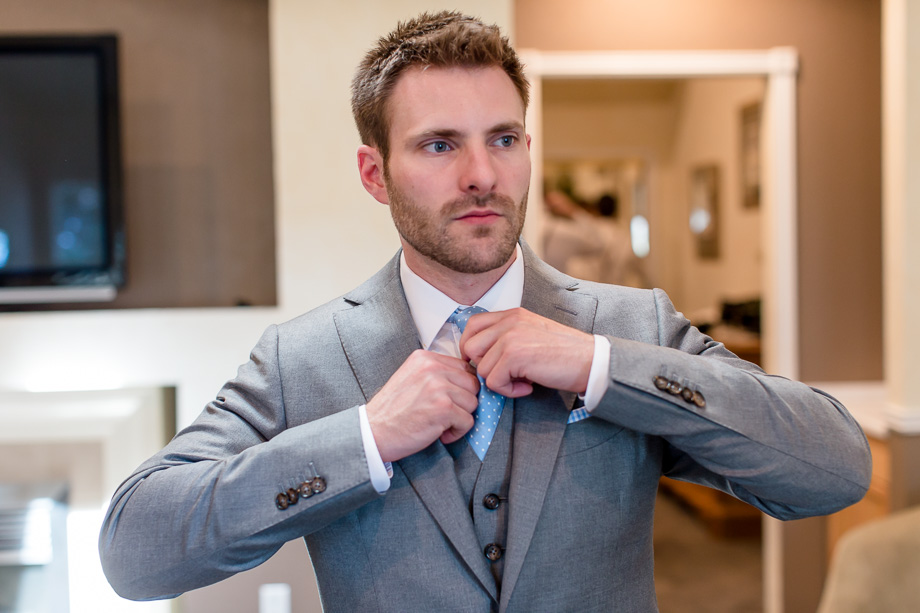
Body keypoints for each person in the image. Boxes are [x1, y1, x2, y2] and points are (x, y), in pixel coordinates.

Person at [99, 11, 871, 612]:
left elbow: (835, 467)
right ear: (375, 172)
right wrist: (364, 437)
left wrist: (602, 367)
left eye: (503, 139)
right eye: (439, 145)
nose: (481, 175)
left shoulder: (631, 327)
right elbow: (135, 549)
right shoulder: (301, 360)